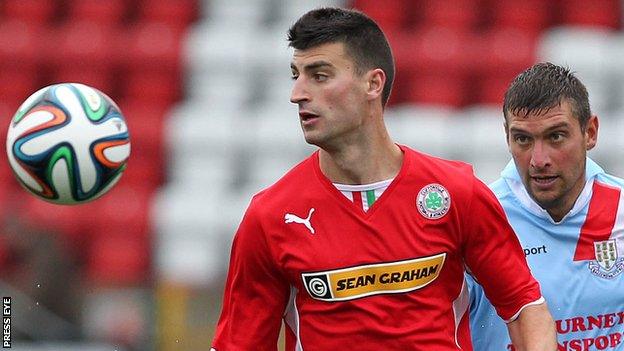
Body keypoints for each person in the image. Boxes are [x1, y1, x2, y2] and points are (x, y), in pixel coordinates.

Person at [211, 7, 556, 350]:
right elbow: (239, 344)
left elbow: (525, 309)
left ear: (373, 83)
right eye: (295, 75)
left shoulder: (457, 193)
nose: (297, 94)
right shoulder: (271, 217)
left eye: (319, 75)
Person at [468, 62, 624, 350]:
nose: (539, 160)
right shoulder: (479, 219)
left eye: (556, 136)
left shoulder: (621, 208)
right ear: (507, 137)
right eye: (523, 139)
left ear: (590, 132)